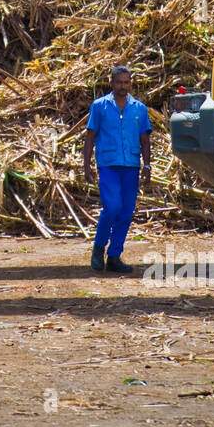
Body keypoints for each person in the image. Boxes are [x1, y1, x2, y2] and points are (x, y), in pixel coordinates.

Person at [82, 65, 152, 272]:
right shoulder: (99, 106)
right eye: (119, 82)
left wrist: (147, 165)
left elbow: (145, 141)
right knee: (111, 207)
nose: (123, 86)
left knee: (125, 212)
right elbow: (90, 137)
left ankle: (114, 256)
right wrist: (86, 165)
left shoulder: (139, 108)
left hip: (131, 166)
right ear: (111, 83)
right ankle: (98, 249)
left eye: (126, 82)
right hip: (108, 165)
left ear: (130, 84)